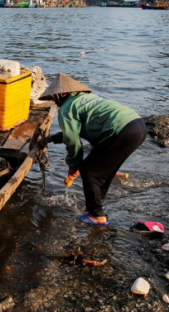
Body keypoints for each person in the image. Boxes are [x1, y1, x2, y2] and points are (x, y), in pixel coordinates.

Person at [38, 73, 146, 226]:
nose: (55, 102)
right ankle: (97, 206)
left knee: (89, 171)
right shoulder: (85, 99)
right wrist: (50, 139)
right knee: (105, 170)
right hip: (137, 126)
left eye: (54, 98)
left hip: (120, 131)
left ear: (62, 94)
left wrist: (73, 166)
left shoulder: (67, 108)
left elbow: (73, 141)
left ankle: (96, 216)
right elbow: (73, 132)